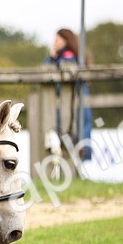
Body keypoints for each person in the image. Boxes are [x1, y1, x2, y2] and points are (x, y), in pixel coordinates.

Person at [44, 28, 92, 158]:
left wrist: (52, 58)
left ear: (65, 41)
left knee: (77, 130)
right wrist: (52, 58)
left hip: (72, 103)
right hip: (68, 104)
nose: (54, 43)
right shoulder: (61, 58)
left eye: (57, 40)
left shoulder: (68, 57)